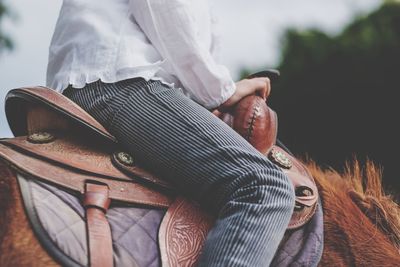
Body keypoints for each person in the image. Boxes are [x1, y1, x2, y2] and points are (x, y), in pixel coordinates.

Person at [46, 0, 295, 266]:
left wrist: (202, 102)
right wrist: (221, 91)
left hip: (103, 79)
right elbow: (166, 7)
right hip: (120, 79)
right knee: (264, 186)